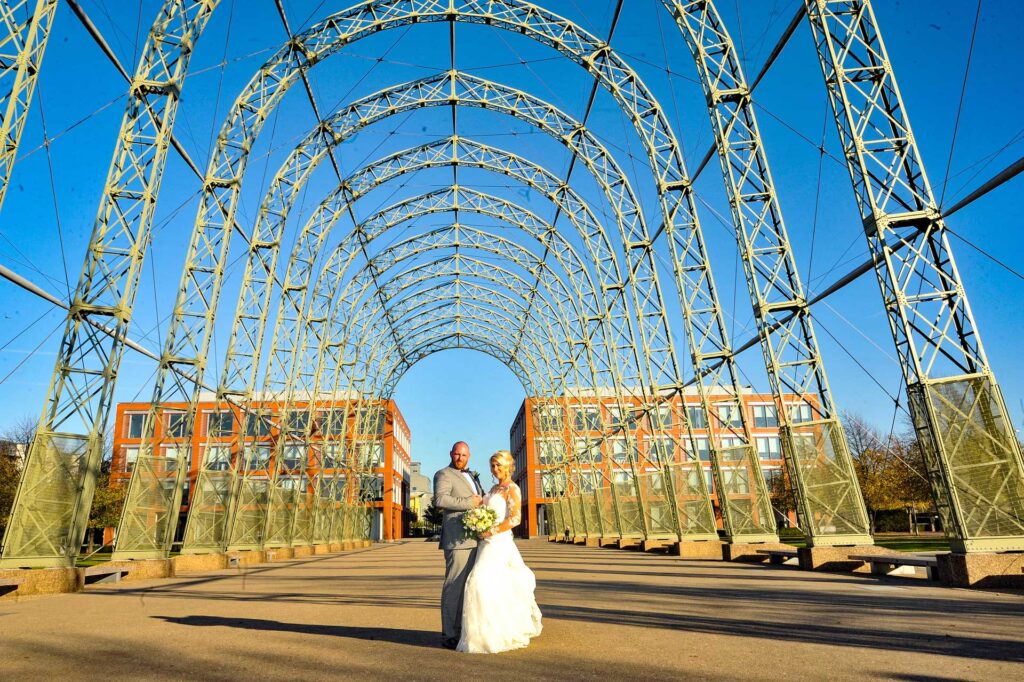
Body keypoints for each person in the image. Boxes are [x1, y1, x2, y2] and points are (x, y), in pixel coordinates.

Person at [457, 450, 543, 654]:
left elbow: (515, 518)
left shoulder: (512, 488)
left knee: (479, 582)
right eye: (492, 466)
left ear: (508, 466)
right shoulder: (495, 488)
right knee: (487, 585)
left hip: (499, 543)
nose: (495, 469)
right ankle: (482, 634)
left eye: (498, 465)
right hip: (485, 543)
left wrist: (490, 530)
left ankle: (494, 634)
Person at [433, 441, 485, 650]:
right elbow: (440, 499)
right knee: (454, 587)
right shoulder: (443, 474)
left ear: (469, 456)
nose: (460, 458)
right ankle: (449, 634)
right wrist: (468, 503)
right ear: (451, 454)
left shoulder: (472, 476)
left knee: (469, 588)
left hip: (476, 538)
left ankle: (463, 630)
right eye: (457, 454)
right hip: (457, 540)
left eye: (463, 455)